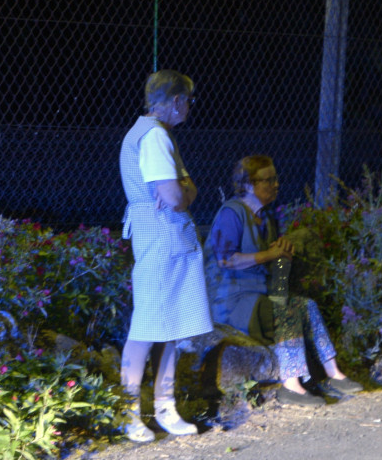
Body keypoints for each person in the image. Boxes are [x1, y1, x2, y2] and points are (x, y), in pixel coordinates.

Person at [205, 155, 363, 406]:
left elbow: (272, 262)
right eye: (267, 180)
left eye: (275, 179)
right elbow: (225, 260)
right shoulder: (231, 214)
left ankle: (333, 373)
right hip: (233, 303)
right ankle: (291, 386)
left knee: (306, 305)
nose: (275, 185)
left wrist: (282, 251)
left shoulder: (266, 217)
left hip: (260, 297)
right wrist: (271, 253)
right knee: (287, 310)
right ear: (247, 185)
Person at [118, 69, 213, 441]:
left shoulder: (149, 133)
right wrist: (184, 191)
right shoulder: (155, 137)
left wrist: (183, 188)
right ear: (176, 101)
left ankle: (164, 406)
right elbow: (176, 196)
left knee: (168, 324)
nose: (190, 107)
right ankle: (128, 411)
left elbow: (184, 186)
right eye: (189, 100)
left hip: (162, 236)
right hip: (162, 237)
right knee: (146, 327)